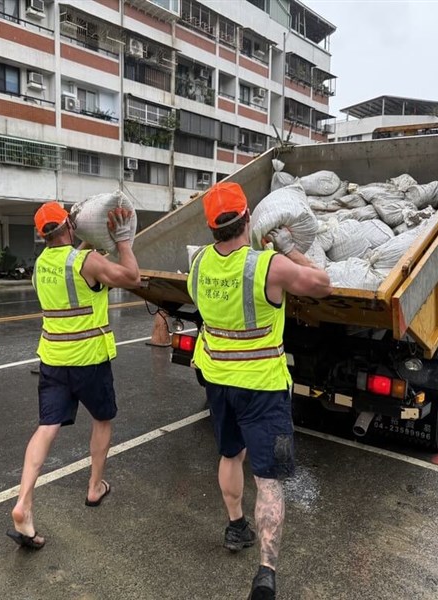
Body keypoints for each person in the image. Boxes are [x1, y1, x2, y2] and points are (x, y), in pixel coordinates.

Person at [187, 182, 332, 600]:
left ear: (212, 227)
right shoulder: (269, 266)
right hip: (263, 387)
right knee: (268, 478)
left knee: (229, 453)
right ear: (248, 218)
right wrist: (288, 246)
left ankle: (236, 527)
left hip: (217, 379)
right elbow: (323, 284)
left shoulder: (198, 264)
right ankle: (266, 573)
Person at [7, 202, 140, 549]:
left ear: (41, 235)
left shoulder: (41, 264)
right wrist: (123, 241)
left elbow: (69, 263)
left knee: (46, 428)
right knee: (102, 420)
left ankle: (24, 502)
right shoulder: (87, 262)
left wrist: (81, 241)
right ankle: (95, 487)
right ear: (69, 224)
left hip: (53, 359)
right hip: (90, 359)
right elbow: (133, 277)